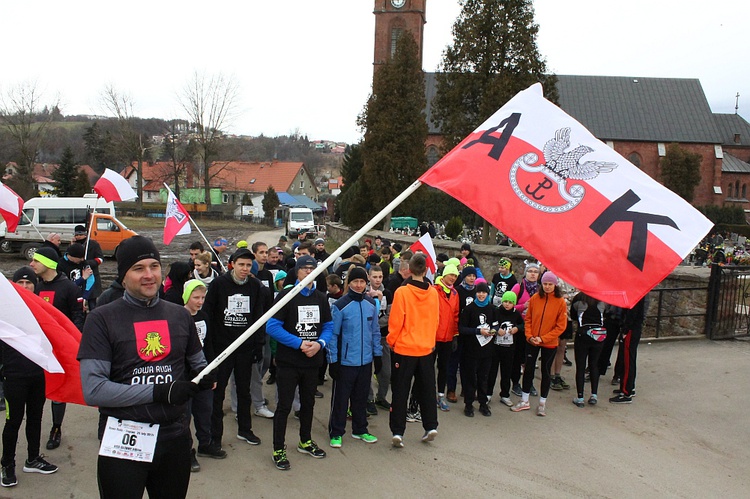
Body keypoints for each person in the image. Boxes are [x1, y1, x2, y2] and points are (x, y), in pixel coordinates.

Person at [77, 236, 213, 499]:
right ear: (123, 276)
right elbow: (94, 390)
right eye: (139, 268)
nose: (149, 275)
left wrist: (206, 376)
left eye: (154, 266)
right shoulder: (101, 318)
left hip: (174, 435)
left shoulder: (179, 315)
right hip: (124, 437)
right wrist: (159, 392)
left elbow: (198, 365)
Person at [266, 255, 333, 470]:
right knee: (284, 407)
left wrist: (320, 343)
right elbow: (272, 327)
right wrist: (299, 343)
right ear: (297, 272)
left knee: (308, 404)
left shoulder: (321, 297)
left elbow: (328, 326)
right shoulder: (287, 295)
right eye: (304, 269)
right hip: (288, 362)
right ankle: (278, 448)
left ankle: (305, 441)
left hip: (312, 362)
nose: (308, 272)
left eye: (312, 269)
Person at [202, 248, 270, 453]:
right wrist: (210, 348)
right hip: (222, 348)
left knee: (244, 391)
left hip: (245, 349)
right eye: (241, 264)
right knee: (218, 393)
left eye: (248, 265)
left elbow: (259, 316)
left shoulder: (255, 286)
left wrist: (258, 345)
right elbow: (209, 316)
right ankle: (215, 436)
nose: (244, 269)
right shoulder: (219, 284)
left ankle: (245, 429)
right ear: (232, 264)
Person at [1, 268, 58, 488]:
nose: (25, 287)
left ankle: (33, 459)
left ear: (36, 285)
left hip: (37, 374)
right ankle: (7, 464)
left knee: (35, 418)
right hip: (14, 376)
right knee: (12, 421)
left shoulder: (41, 310)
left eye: (29, 283)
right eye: (20, 282)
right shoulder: (4, 310)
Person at [29, 246, 85, 451]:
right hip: (38, 348)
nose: (32, 264)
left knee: (58, 389)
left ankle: (56, 428)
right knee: (39, 389)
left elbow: (78, 316)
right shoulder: (35, 285)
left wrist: (74, 343)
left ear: (48, 264)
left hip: (59, 349)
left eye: (36, 261)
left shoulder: (69, 288)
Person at [387, 253, 440, 448]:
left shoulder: (402, 292)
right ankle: (431, 426)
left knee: (401, 390)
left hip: (405, 348)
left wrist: (392, 341)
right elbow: (435, 319)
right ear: (426, 270)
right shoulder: (433, 292)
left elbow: (396, 321)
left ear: (409, 269)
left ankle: (398, 431)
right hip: (426, 347)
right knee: (427, 389)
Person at [327, 267, 382, 448]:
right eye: (355, 282)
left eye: (362, 282)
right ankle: (336, 431)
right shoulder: (340, 305)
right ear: (349, 283)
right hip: (345, 361)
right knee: (341, 399)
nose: (359, 285)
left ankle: (360, 429)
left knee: (360, 397)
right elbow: (333, 335)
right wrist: (333, 360)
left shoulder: (371, 304)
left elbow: (375, 331)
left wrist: (377, 354)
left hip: (365, 360)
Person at [511, 271, 567, 417]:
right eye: (545, 284)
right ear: (541, 285)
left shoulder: (560, 301)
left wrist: (543, 338)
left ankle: (542, 402)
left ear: (555, 285)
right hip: (532, 341)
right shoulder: (535, 298)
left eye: (550, 284)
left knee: (546, 372)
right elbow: (528, 319)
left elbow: (561, 326)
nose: (547, 287)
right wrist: (530, 336)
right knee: (528, 369)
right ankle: (525, 400)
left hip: (549, 342)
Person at [181, 279, 223, 472]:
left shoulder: (204, 316)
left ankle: (205, 443)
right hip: (184, 375)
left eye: (202, 297)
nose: (199, 301)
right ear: (186, 297)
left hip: (204, 373)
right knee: (184, 415)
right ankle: (186, 451)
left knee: (205, 411)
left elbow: (210, 345)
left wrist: (212, 373)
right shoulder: (178, 316)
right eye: (195, 297)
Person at [458, 280, 497, 417]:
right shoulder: (469, 309)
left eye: (484, 292)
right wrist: (477, 331)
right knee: (470, 378)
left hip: (487, 351)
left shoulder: (492, 309)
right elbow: (462, 329)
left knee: (483, 378)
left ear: (487, 293)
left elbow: (496, 325)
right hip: (471, 350)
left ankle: (483, 403)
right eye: (479, 292)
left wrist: (493, 331)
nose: (481, 295)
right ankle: (468, 405)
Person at [486, 291, 523, 407]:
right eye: (505, 302)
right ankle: (488, 393)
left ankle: (505, 394)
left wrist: (517, 328)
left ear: (514, 304)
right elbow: (491, 324)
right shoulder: (496, 311)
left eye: (510, 302)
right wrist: (497, 329)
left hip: (509, 348)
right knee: (492, 371)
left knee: (506, 372)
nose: (507, 304)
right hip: (496, 347)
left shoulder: (516, 313)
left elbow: (522, 324)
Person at [510, 262, 541, 397]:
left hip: (534, 327)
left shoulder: (541, 289)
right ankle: (515, 383)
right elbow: (508, 306)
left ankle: (529, 384)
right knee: (517, 357)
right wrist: (523, 306)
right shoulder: (518, 287)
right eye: (530, 271)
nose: (533, 274)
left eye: (535, 272)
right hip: (519, 327)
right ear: (525, 273)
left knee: (530, 359)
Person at [610, 295, 648, 404]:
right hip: (633, 328)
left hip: (631, 330)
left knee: (627, 360)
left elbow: (632, 314)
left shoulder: (635, 296)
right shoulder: (639, 293)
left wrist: (625, 330)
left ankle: (626, 392)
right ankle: (629, 386)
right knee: (628, 359)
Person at [570, 292, 607, 407]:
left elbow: (573, 315)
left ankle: (580, 397)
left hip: (583, 335)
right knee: (594, 365)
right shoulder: (602, 299)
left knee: (580, 366)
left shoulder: (579, 298)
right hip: (599, 336)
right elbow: (605, 313)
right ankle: (594, 395)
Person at [366, 265, 392, 412]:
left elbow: (390, 315)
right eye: (374, 277)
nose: (377, 280)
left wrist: (376, 323)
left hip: (383, 336)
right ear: (369, 277)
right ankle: (368, 399)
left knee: (385, 371)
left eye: (380, 277)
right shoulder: (365, 293)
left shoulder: (387, 293)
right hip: (367, 337)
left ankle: (381, 397)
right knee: (367, 371)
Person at [433, 264, 460, 412]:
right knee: (428, 368)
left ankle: (440, 395)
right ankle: (428, 394)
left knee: (443, 368)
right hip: (434, 336)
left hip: (448, 337)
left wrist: (455, 335)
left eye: (455, 276)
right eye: (451, 275)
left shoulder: (455, 293)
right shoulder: (433, 290)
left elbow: (455, 315)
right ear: (444, 275)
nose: (453, 278)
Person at [72, 224, 104, 310]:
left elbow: (100, 259)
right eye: (77, 235)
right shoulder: (73, 245)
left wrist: (88, 263)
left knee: (92, 303)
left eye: (80, 235)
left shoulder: (93, 244)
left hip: (92, 276)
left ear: (85, 235)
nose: (78, 237)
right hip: (78, 277)